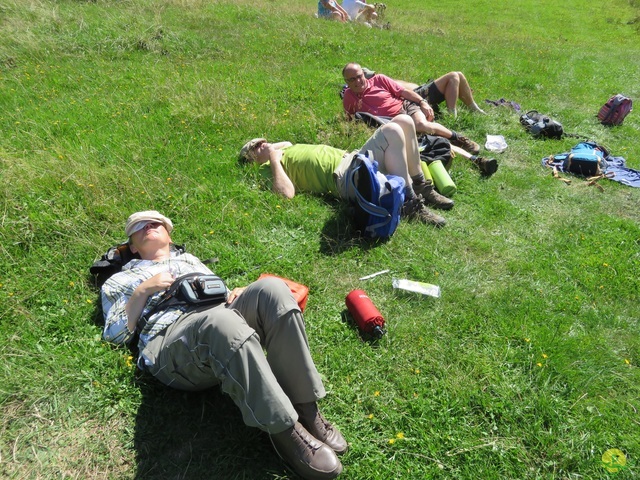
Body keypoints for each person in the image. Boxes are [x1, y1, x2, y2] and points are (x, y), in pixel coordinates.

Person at [102, 210, 346, 480]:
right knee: (220, 321)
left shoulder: (189, 261)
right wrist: (142, 291)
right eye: (138, 226)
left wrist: (237, 292)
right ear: (132, 246)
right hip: (170, 341)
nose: (148, 225)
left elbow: (218, 295)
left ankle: (306, 408)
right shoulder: (120, 280)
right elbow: (115, 335)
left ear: (169, 235)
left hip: (218, 318)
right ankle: (285, 432)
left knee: (273, 290)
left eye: (155, 222)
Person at [239, 114, 455, 227]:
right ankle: (410, 204)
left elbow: (285, 142)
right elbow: (286, 194)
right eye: (254, 148)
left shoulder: (284, 149)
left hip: (352, 159)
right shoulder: (268, 170)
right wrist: (273, 160)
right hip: (346, 178)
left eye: (261, 142)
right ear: (251, 160)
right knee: (391, 130)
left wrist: (270, 149)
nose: (262, 146)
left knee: (405, 121)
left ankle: (420, 186)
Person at [341, 63, 485, 158]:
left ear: (364, 74)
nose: (357, 81)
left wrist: (422, 102)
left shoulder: (379, 80)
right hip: (393, 122)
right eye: (352, 79)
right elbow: (350, 118)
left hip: (406, 107)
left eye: (359, 76)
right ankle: (451, 147)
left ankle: (459, 138)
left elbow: (404, 92)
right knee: (419, 137)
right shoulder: (348, 96)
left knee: (422, 126)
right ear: (347, 82)